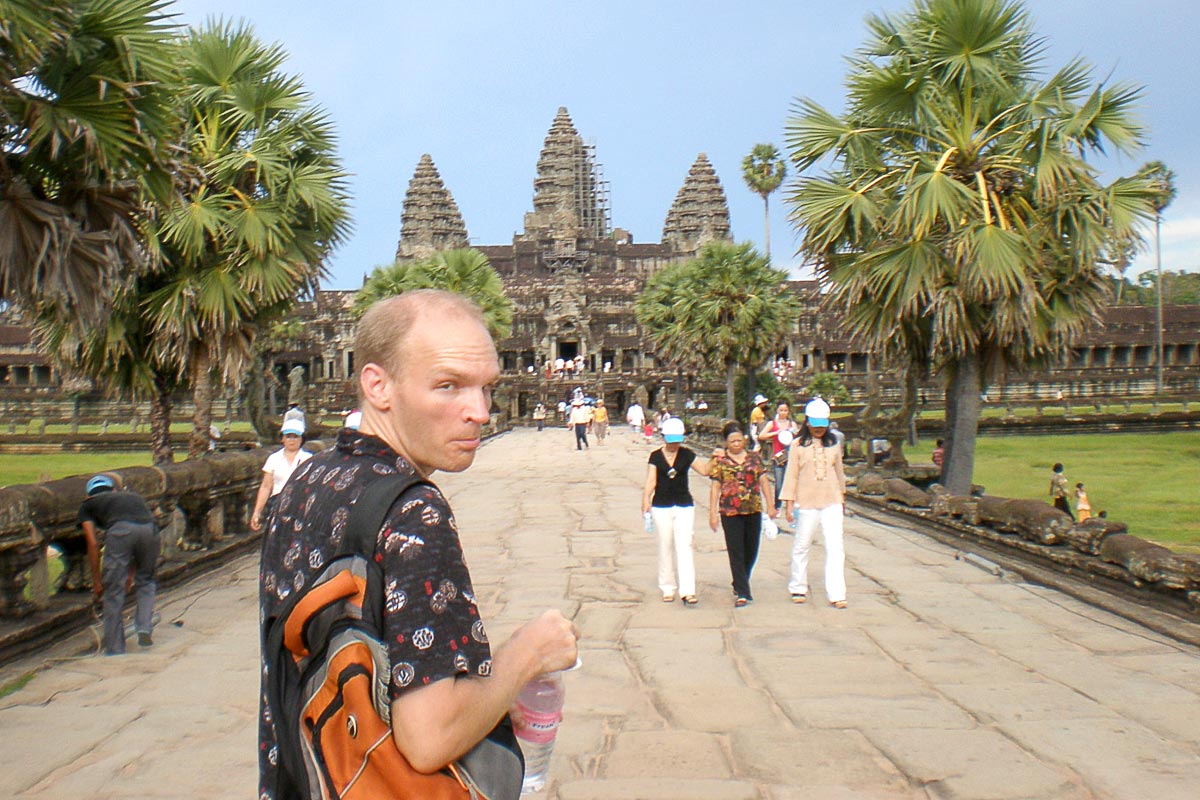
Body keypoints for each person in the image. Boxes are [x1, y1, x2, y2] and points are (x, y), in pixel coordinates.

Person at [258, 290, 579, 798]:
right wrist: (528, 654)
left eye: (486, 388)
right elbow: (430, 738)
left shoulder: (307, 479)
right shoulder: (414, 509)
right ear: (378, 385)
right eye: (449, 386)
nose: (479, 411)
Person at [78, 474, 160, 654]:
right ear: (114, 490)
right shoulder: (132, 496)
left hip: (121, 532)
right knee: (146, 581)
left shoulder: (88, 505)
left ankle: (115, 647)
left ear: (88, 495)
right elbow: (137, 537)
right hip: (151, 531)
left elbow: (93, 544)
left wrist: (97, 581)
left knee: (113, 590)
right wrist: (130, 575)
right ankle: (144, 628)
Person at [779, 398, 849, 609]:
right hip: (807, 502)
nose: (819, 430)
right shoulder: (797, 445)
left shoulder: (834, 443)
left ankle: (837, 593)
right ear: (808, 422)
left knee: (835, 547)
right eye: (815, 425)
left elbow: (840, 473)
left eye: (822, 426)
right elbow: (791, 475)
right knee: (802, 545)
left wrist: (843, 497)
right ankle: (798, 586)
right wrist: (789, 504)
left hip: (832, 501)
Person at [642, 417, 711, 606]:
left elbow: (704, 470)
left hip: (684, 504)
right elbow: (651, 480)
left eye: (677, 441)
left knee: (685, 545)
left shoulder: (687, 454)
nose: (674, 445)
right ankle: (667, 586)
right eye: (670, 441)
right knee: (665, 544)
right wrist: (645, 499)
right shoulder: (656, 456)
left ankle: (688, 590)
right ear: (663, 437)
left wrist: (717, 457)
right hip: (661, 505)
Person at [708, 421, 775, 607]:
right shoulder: (720, 461)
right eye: (732, 441)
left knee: (751, 549)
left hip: (753, 508)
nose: (736, 444)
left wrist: (771, 505)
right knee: (736, 550)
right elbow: (715, 487)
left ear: (744, 441)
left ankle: (739, 580)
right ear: (726, 443)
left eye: (739, 440)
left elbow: (763, 481)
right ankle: (743, 593)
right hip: (730, 511)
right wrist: (712, 513)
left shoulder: (754, 458)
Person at [250, 419, 312, 532]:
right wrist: (257, 512)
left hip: (300, 506)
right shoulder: (274, 458)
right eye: (288, 436)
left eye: (295, 437)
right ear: (283, 438)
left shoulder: (308, 459)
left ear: (302, 439)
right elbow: (266, 486)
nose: (292, 440)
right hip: (277, 504)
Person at [757, 402, 800, 520]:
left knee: (791, 483)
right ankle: (777, 506)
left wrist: (793, 431)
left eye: (785, 410)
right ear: (777, 411)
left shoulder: (792, 424)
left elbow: (799, 437)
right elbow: (761, 435)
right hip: (778, 457)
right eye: (781, 410)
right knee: (779, 484)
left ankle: (790, 508)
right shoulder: (773, 423)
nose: (783, 413)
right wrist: (776, 433)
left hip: (790, 456)